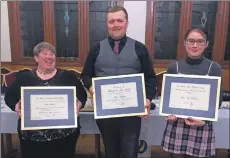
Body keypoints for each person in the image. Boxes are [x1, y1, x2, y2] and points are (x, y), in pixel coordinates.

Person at [81, 6, 157, 158]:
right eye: (111, 21)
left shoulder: (139, 48)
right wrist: (92, 88)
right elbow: (86, 75)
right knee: (110, 151)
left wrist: (148, 98)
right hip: (106, 112)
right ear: (107, 24)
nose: (115, 25)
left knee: (130, 151)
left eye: (119, 21)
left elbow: (150, 77)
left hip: (131, 112)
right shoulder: (96, 48)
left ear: (126, 23)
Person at [4, 42, 87, 158]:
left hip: (64, 137)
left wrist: (79, 104)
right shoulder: (24, 77)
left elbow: (82, 96)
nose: (49, 57)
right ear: (36, 58)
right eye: (45, 54)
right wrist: (15, 106)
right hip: (32, 138)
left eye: (52, 54)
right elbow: (10, 97)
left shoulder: (67, 77)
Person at [161, 26, 223, 158]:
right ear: (185, 43)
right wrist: (168, 113)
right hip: (177, 124)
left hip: (201, 124)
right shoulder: (174, 67)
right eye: (191, 41)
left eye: (200, 41)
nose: (195, 45)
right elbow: (167, 98)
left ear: (206, 44)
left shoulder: (214, 68)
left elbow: (218, 100)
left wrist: (204, 120)